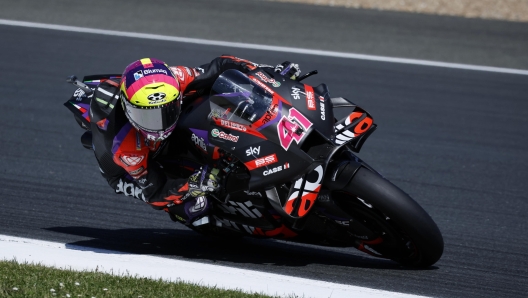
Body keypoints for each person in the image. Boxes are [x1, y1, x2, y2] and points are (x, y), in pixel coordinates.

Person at [89, 56, 301, 228]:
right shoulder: (126, 147)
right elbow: (154, 192)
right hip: (126, 170)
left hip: (173, 123)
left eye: (166, 111)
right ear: (128, 109)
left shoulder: (177, 78)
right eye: (147, 117)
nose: (159, 124)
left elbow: (220, 65)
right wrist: (193, 184)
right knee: (196, 209)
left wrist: (263, 72)